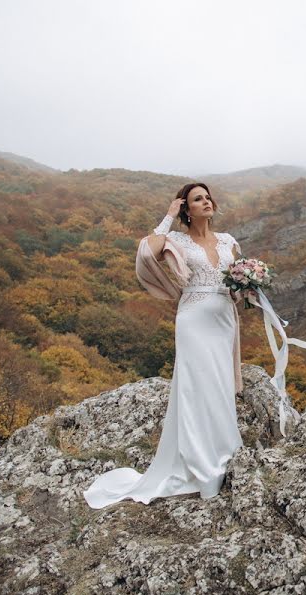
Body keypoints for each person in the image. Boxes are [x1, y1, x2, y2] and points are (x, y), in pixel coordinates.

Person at [83, 182, 247, 508]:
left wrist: (248, 286)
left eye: (207, 197)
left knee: (220, 384)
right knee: (198, 386)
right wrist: (169, 215)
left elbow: (234, 282)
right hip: (193, 321)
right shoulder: (179, 240)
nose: (206, 202)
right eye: (197, 199)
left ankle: (225, 452)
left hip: (223, 321)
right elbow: (148, 250)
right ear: (187, 207)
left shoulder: (228, 241)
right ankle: (202, 467)